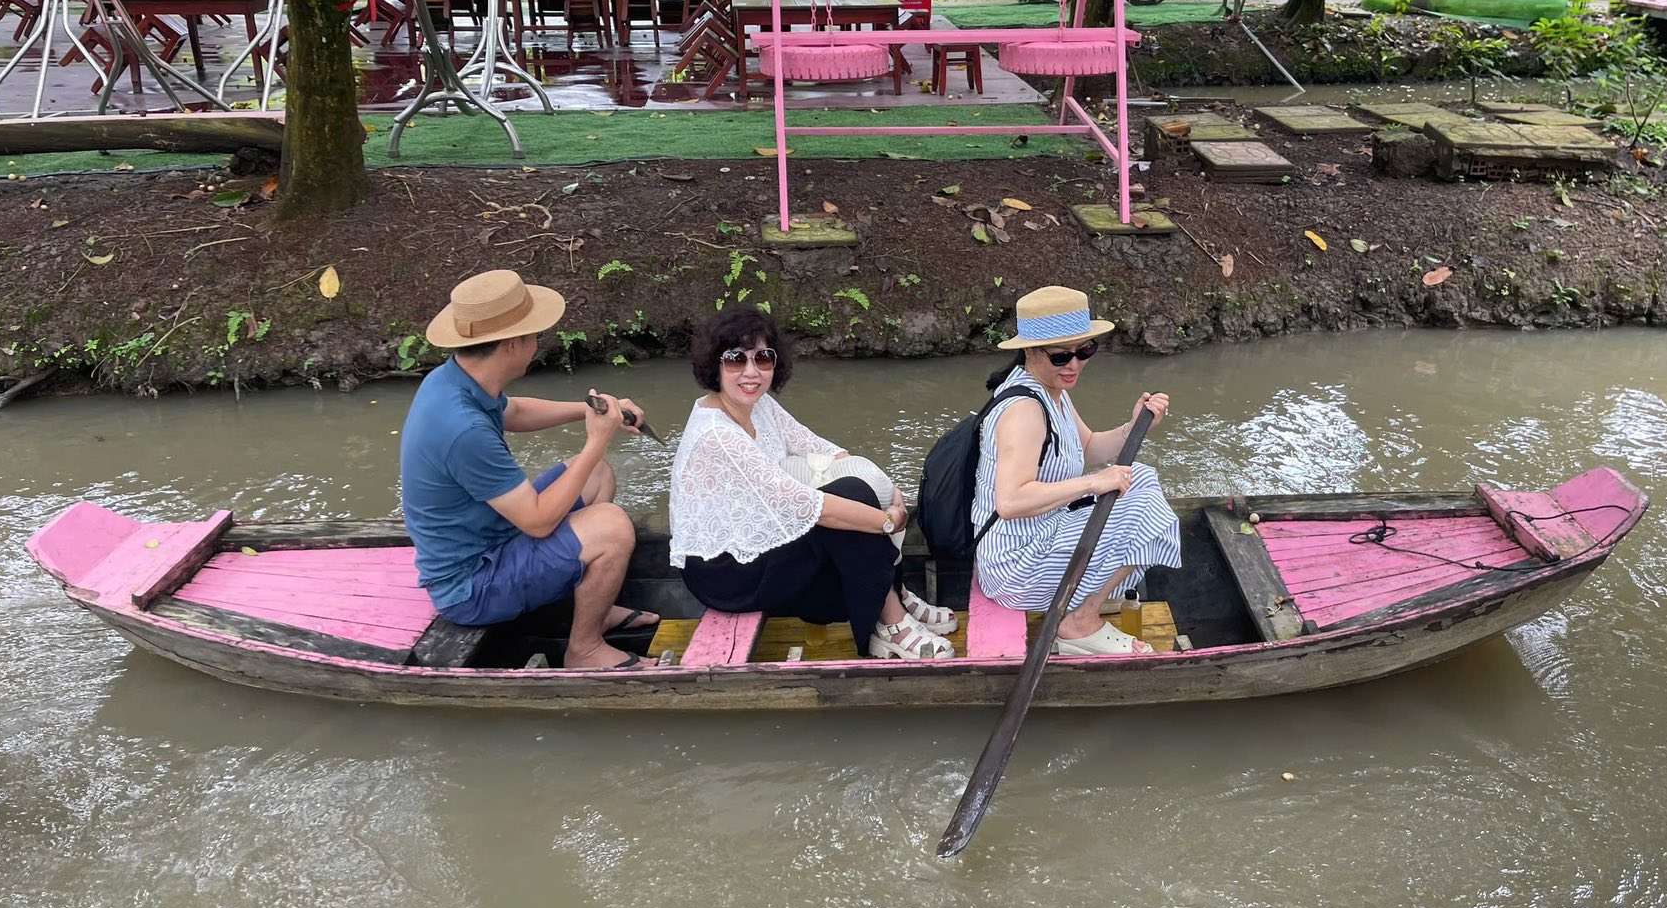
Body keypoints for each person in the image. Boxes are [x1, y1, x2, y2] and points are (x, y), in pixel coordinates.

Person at [669, 308, 957, 660]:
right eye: (734, 359)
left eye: (762, 358)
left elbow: (822, 450)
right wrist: (888, 520)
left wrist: (886, 486)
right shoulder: (716, 434)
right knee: (849, 499)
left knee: (857, 485)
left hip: (762, 538)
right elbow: (807, 506)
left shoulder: (759, 406)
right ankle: (891, 622)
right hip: (726, 574)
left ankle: (892, 594)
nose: (751, 371)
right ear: (714, 364)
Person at [400, 269, 649, 671]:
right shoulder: (461, 427)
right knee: (612, 526)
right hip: (472, 586)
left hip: (496, 537)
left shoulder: (455, 379)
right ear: (514, 343)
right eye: (534, 334)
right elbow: (536, 523)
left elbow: (512, 411)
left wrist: (591, 409)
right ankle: (584, 649)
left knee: (597, 473)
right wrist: (596, 439)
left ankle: (592, 607)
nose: (538, 343)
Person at [973, 285, 1181, 655]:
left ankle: (1082, 613)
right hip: (1016, 563)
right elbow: (1010, 501)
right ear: (1031, 351)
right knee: (1144, 505)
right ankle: (1079, 623)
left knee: (1142, 479)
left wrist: (1135, 427)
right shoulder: (1024, 410)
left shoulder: (1053, 389)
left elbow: (1087, 447)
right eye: (1061, 357)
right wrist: (1093, 483)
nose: (1074, 364)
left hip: (1042, 532)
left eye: (1085, 351)